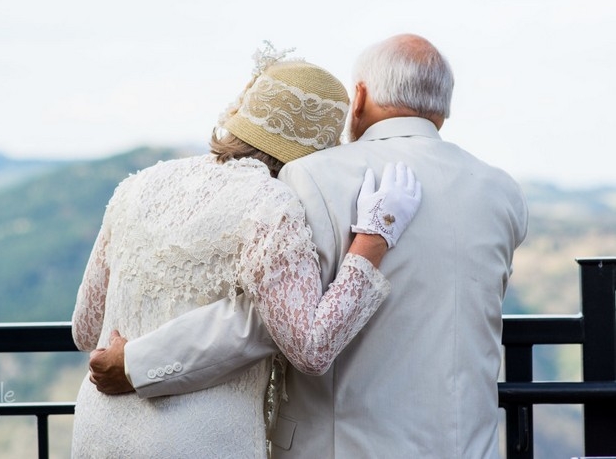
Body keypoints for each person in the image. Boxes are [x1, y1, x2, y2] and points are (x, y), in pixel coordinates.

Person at [89, 34, 529, 458]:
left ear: (357, 98)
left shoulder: (313, 178)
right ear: (442, 108)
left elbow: (267, 322)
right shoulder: (501, 191)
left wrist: (138, 361)